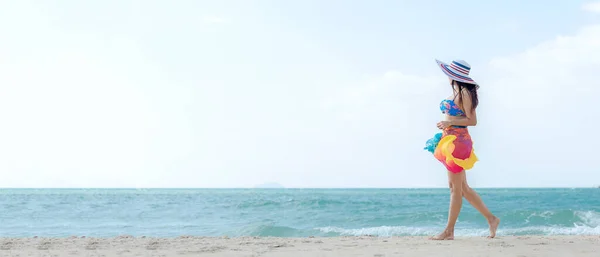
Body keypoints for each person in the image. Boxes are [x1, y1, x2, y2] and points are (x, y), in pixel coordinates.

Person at [424, 59, 500, 240]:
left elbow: (472, 121)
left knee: (455, 188)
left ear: (453, 76)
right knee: (462, 188)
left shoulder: (465, 93)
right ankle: (491, 219)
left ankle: (449, 231)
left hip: (458, 142)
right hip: (448, 139)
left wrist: (450, 122)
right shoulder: (456, 92)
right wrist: (447, 124)